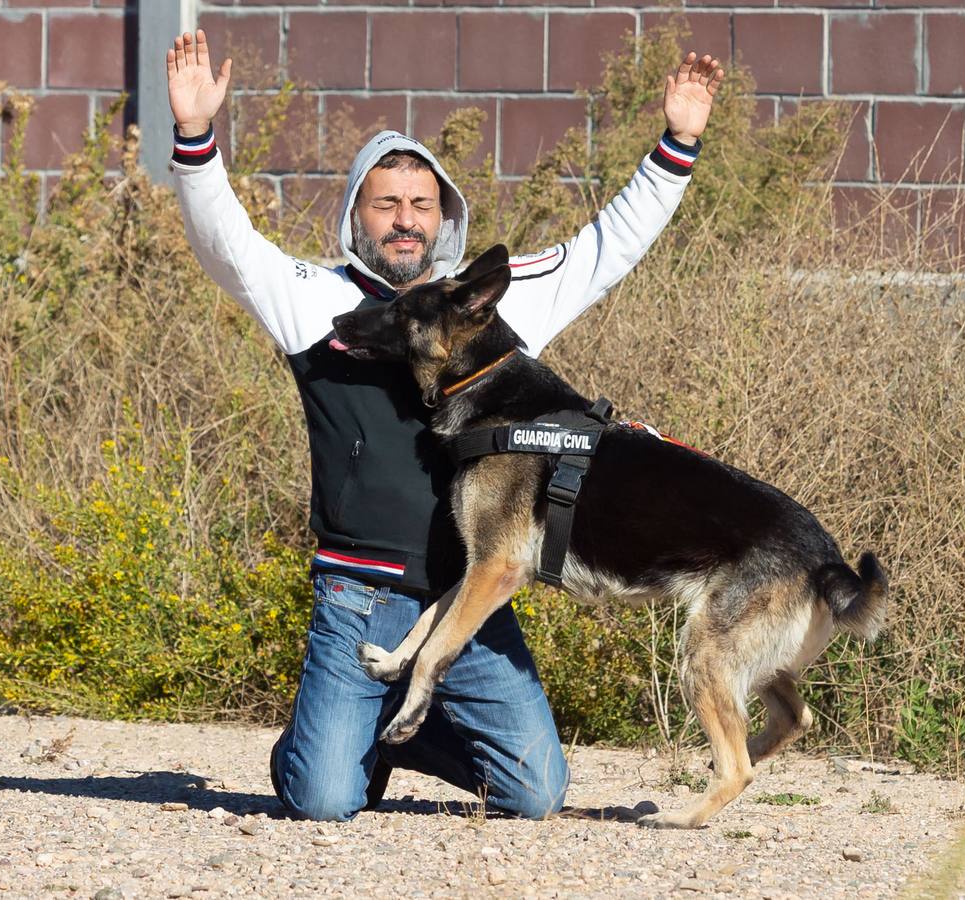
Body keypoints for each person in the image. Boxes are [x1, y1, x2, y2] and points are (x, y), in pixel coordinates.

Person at [162, 29, 723, 822]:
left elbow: (606, 248)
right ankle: (326, 742)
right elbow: (226, 245)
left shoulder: (489, 306)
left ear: (444, 218)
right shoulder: (312, 302)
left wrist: (679, 141)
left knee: (536, 793)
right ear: (356, 213)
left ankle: (386, 735)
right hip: (358, 596)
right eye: (385, 203)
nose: (404, 221)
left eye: (421, 206)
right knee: (322, 801)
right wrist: (194, 137)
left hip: (465, 599)